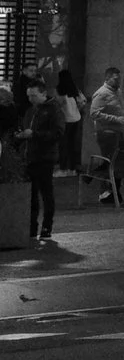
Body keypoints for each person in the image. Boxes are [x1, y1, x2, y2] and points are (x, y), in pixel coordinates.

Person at [19, 78, 63, 242]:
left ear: (43, 94)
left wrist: (35, 134)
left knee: (46, 193)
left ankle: (46, 226)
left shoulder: (53, 110)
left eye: (34, 95)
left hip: (45, 157)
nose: (31, 99)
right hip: (30, 157)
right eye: (29, 96)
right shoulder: (31, 111)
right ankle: (31, 227)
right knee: (31, 194)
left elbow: (58, 133)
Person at [86, 68, 124, 204]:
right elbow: (94, 113)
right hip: (107, 133)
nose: (119, 81)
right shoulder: (101, 93)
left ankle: (113, 191)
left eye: (119, 78)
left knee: (116, 163)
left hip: (118, 132)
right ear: (107, 78)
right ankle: (105, 191)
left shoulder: (117, 92)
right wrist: (115, 119)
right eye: (115, 78)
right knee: (110, 162)